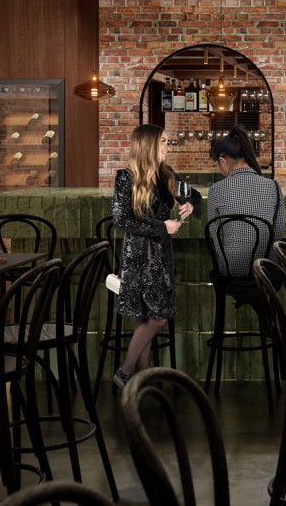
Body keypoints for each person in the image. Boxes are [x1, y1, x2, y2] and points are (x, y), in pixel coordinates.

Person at [111, 124, 192, 388]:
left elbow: (193, 194)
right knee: (157, 316)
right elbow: (121, 220)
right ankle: (125, 372)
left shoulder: (166, 173)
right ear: (148, 146)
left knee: (147, 316)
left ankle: (141, 379)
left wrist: (191, 203)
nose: (168, 146)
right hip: (139, 257)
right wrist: (162, 227)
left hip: (160, 255)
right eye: (164, 142)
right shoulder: (126, 177)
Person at [206, 127, 286, 280]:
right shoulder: (273, 186)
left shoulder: (215, 190)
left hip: (230, 273)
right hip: (267, 272)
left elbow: (217, 236)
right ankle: (264, 304)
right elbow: (278, 231)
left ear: (223, 160)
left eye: (217, 164)